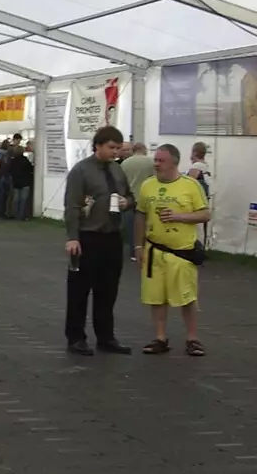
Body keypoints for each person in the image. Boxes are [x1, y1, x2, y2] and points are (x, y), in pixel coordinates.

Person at [134, 143, 211, 356]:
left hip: (181, 252)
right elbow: (140, 215)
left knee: (186, 297)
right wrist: (138, 245)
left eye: (161, 160)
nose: (156, 164)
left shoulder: (190, 185)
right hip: (154, 251)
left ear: (174, 163)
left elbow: (205, 214)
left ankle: (192, 338)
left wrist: (179, 217)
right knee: (156, 297)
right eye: (155, 160)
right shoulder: (147, 185)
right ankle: (160, 337)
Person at [64, 125, 134, 356]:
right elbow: (72, 206)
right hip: (88, 237)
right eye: (112, 147)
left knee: (108, 290)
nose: (116, 152)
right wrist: (73, 237)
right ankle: (75, 337)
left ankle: (106, 337)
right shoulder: (81, 171)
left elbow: (130, 195)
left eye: (118, 148)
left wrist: (127, 203)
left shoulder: (117, 171)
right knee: (79, 291)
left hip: (112, 236)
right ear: (98, 146)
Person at [119, 142, 154, 259]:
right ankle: (146, 250)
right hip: (147, 198)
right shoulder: (151, 162)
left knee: (131, 227)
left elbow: (121, 181)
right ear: (144, 149)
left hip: (130, 199)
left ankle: (133, 252)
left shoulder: (125, 163)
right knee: (147, 226)